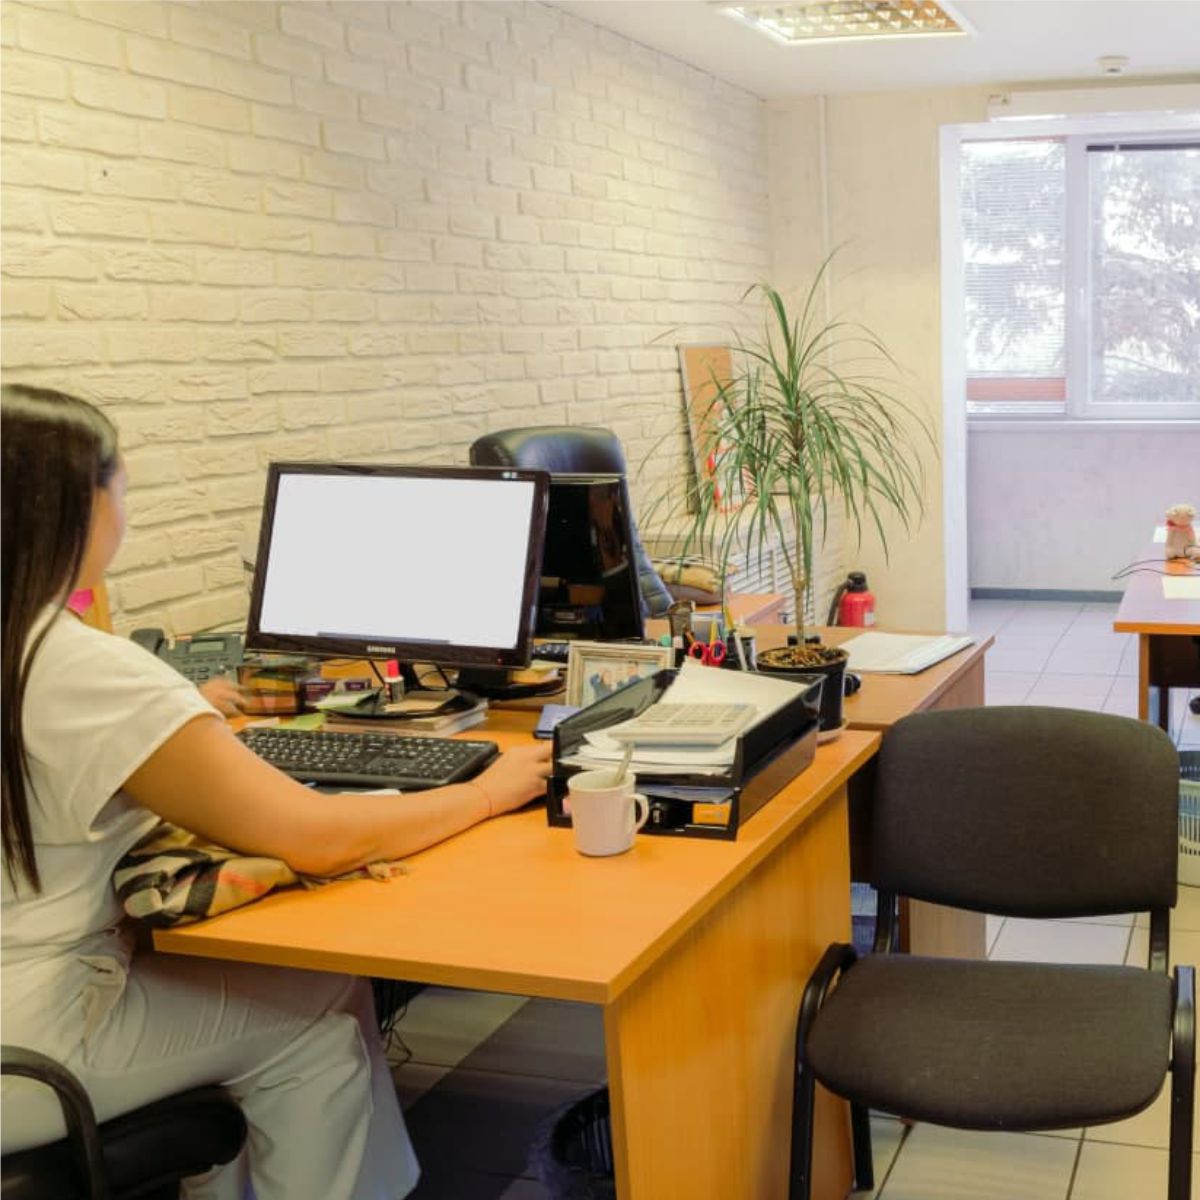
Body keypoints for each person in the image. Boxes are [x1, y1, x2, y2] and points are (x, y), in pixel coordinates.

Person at [0, 384, 553, 1198]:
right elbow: (320, 839)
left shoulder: (37, 651)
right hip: (32, 1046)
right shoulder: (79, 667)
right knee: (320, 1028)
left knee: (310, 989)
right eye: (120, 486)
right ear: (75, 509)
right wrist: (490, 791)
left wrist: (182, 717)